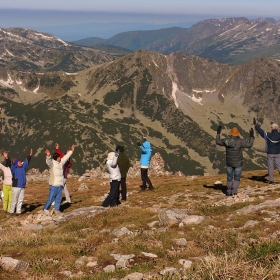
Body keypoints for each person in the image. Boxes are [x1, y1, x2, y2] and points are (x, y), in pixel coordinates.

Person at [216, 126, 254, 196]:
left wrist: (218, 133)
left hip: (229, 162)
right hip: (238, 163)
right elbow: (250, 145)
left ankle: (229, 191)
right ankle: (234, 191)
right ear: (237, 134)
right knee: (237, 177)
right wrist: (251, 136)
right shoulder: (240, 141)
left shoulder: (226, 140)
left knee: (229, 177)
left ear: (231, 134)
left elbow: (218, 141)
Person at [43, 145, 74, 216]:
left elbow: (66, 157)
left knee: (58, 199)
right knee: (50, 199)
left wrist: (71, 151)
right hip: (54, 185)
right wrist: (48, 156)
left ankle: (56, 210)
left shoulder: (60, 163)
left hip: (60, 185)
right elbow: (48, 162)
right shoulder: (52, 164)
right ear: (57, 158)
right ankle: (45, 210)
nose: (60, 158)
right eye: (59, 157)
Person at [253, 118, 280, 184]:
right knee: (279, 166)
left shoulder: (268, 135)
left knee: (270, 167)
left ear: (272, 128)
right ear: (277, 128)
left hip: (270, 153)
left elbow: (261, 131)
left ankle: (271, 180)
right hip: (278, 153)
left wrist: (256, 125)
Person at [10, 148, 33, 215]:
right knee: (14, 199)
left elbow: (26, 161)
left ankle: (18, 211)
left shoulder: (23, 167)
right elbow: (12, 164)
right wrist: (7, 158)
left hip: (22, 186)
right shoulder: (14, 168)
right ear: (16, 163)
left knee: (20, 199)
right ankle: (12, 211)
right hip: (16, 186)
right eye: (19, 162)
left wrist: (30, 155)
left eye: (20, 161)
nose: (21, 162)